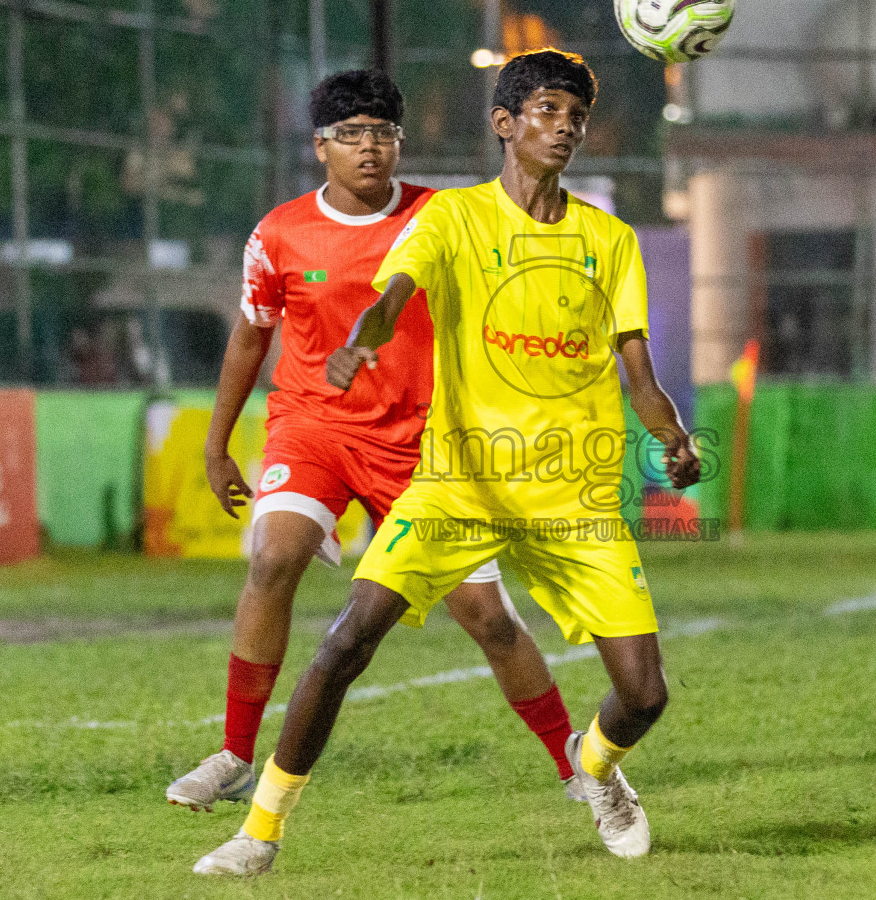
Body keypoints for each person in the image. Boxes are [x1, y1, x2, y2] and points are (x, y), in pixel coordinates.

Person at [193, 49, 701, 876]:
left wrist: (673, 440)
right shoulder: (451, 220)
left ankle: (596, 766)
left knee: (644, 693)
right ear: (504, 124)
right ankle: (259, 830)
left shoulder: (607, 239)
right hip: (457, 485)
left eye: (574, 116)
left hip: (573, 494)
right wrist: (362, 340)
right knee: (347, 640)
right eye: (545, 111)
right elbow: (393, 297)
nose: (563, 128)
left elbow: (636, 373)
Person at [167, 70, 582, 817]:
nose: (369, 149)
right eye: (352, 135)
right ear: (319, 147)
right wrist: (217, 443)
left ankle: (577, 767)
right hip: (314, 426)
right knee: (273, 557)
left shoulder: (444, 218)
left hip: (423, 445)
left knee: (488, 618)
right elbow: (250, 337)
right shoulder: (279, 233)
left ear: (400, 143)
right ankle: (233, 754)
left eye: (383, 134)